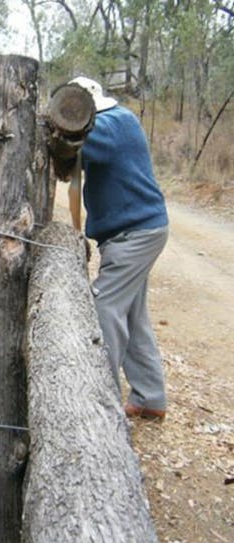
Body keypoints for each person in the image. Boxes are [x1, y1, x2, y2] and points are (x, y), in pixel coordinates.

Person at [70, 76, 170, 420]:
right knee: (132, 314)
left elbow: (83, 143)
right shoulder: (114, 122)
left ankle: (103, 398)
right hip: (135, 232)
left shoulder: (113, 124)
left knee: (105, 307)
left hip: (136, 233)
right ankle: (150, 397)